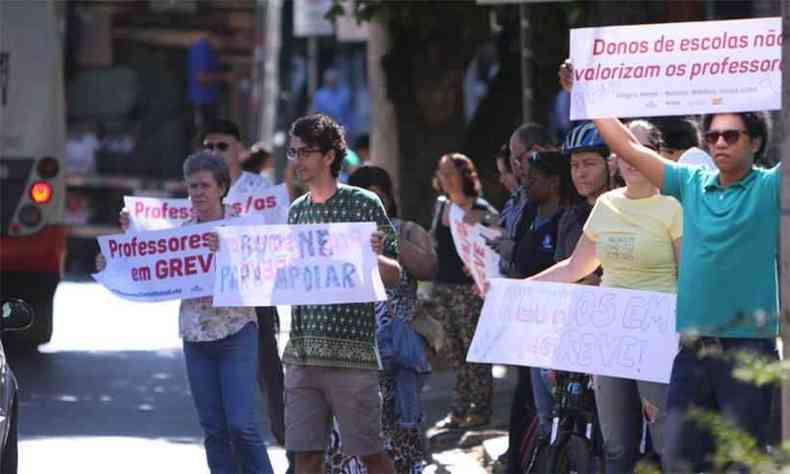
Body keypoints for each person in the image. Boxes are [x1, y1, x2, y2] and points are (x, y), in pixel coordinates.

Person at [561, 60, 781, 472]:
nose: (719, 143)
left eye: (731, 135)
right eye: (712, 135)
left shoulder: (771, 187)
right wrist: (587, 93)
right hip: (692, 350)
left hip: (748, 347)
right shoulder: (689, 184)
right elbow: (628, 147)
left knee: (741, 461)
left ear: (755, 142)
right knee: (679, 457)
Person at [98, 152, 275, 474]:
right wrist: (117, 254)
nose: (197, 193)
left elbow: (264, 274)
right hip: (196, 337)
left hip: (237, 333)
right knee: (214, 430)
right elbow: (145, 264)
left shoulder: (244, 225)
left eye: (204, 185)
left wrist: (227, 251)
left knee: (241, 425)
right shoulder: (180, 232)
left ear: (222, 187)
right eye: (192, 186)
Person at [528, 118, 682, 473]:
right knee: (615, 446)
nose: (629, 157)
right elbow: (574, 267)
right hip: (610, 337)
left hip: (656, 337)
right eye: (622, 148)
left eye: (638, 148)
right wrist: (518, 289)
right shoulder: (607, 205)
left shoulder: (673, 205)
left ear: (656, 154)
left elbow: (687, 275)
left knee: (664, 443)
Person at [283, 113, 401, 474]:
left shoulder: (364, 204)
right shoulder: (296, 212)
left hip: (352, 356)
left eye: (305, 153)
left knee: (369, 453)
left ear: (329, 156)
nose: (297, 161)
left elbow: (394, 275)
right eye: (293, 152)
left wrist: (373, 255)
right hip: (303, 354)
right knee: (305, 457)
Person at [337, 165, 436, 474]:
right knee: (364, 427)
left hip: (400, 347)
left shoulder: (407, 230)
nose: (373, 208)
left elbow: (427, 268)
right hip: (357, 348)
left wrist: (389, 239)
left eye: (380, 199)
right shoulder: (338, 235)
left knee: (404, 423)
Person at [504, 150, 577, 472]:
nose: (527, 184)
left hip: (559, 325)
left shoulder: (571, 219)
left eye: (534, 179)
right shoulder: (528, 213)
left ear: (554, 181)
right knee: (537, 405)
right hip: (529, 324)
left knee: (560, 404)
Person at [430, 153, 497, 431]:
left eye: (451, 173)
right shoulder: (441, 206)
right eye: (442, 173)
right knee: (455, 354)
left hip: (471, 291)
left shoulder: (479, 207)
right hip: (443, 289)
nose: (446, 179)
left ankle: (480, 410)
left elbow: (500, 232)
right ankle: (459, 410)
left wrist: (480, 219)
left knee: (475, 351)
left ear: (465, 176)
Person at [188, 31, 232, 131]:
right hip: (204, 102)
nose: (223, 45)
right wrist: (224, 77)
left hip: (208, 100)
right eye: (224, 41)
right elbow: (201, 78)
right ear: (216, 37)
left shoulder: (209, 49)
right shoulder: (202, 49)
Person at [312, 68, 353, 132]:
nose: (332, 82)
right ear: (326, 81)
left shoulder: (345, 93)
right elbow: (317, 113)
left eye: (334, 79)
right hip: (325, 127)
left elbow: (349, 113)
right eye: (330, 80)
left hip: (343, 127)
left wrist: (349, 128)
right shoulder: (319, 95)